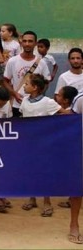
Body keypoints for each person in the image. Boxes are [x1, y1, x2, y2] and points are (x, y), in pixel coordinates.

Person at [20, 74, 65, 216]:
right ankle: (32, 198)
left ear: (35, 87)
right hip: (28, 143)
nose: (24, 86)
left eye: (26, 84)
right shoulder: (24, 101)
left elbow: (64, 114)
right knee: (30, 170)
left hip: (45, 144)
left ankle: (47, 201)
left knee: (44, 171)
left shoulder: (48, 102)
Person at [3, 31, 51, 117]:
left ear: (35, 43)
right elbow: (5, 81)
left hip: (36, 107)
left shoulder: (42, 63)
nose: (27, 44)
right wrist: (14, 94)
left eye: (30, 41)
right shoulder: (12, 61)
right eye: (24, 41)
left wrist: (37, 98)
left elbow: (46, 82)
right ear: (21, 43)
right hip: (17, 105)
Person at [69, 92, 83, 244]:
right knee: (78, 188)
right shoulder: (80, 99)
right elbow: (69, 124)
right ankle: (74, 224)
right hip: (81, 147)